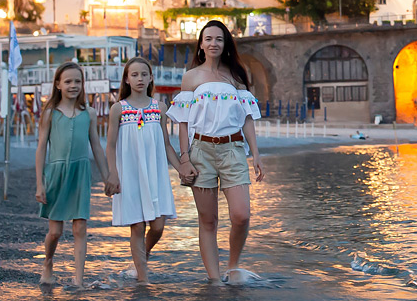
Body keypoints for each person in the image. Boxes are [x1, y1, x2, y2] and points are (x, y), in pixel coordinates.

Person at [166, 20, 265, 284]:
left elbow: (247, 118)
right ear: (201, 44)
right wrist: (184, 158)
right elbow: (183, 122)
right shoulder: (191, 77)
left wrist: (256, 154)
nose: (213, 43)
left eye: (219, 39)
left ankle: (232, 266)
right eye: (208, 39)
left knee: (241, 215)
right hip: (201, 151)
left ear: (225, 44)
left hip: (233, 149)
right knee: (208, 220)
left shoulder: (236, 76)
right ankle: (215, 281)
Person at [106, 57, 196, 285]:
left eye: (144, 74)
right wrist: (113, 173)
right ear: (127, 79)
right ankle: (143, 279)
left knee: (158, 226)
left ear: (151, 78)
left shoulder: (159, 108)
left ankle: (142, 256)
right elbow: (111, 145)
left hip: (155, 174)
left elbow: (166, 144)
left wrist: (181, 168)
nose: (139, 79)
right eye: (134, 75)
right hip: (130, 173)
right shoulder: (118, 109)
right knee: (137, 225)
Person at [34, 62, 105, 287]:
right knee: (55, 231)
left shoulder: (89, 113)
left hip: (80, 174)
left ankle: (79, 280)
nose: (73, 85)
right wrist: (39, 184)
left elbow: (97, 147)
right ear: (58, 84)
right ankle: (48, 263)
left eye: (77, 81)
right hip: (56, 174)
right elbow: (41, 149)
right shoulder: (50, 114)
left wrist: (108, 177)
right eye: (68, 81)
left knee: (80, 228)